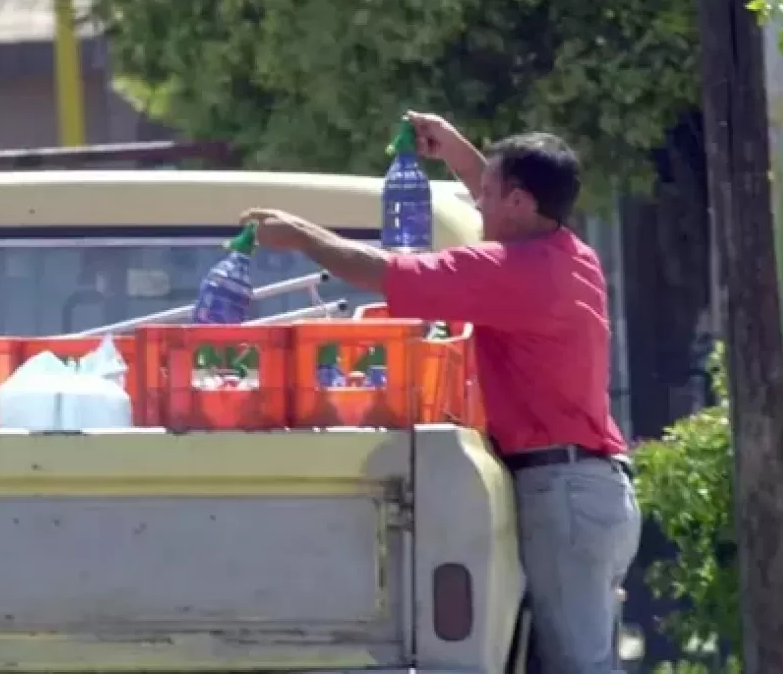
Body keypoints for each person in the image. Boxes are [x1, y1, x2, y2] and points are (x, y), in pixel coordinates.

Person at [241, 112, 641, 674]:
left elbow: (385, 272)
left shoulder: (512, 271)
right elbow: (503, 199)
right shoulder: (569, 253)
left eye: (487, 193)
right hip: (591, 488)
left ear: (521, 202)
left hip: (563, 493)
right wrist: (455, 149)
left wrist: (303, 235)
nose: (477, 203)